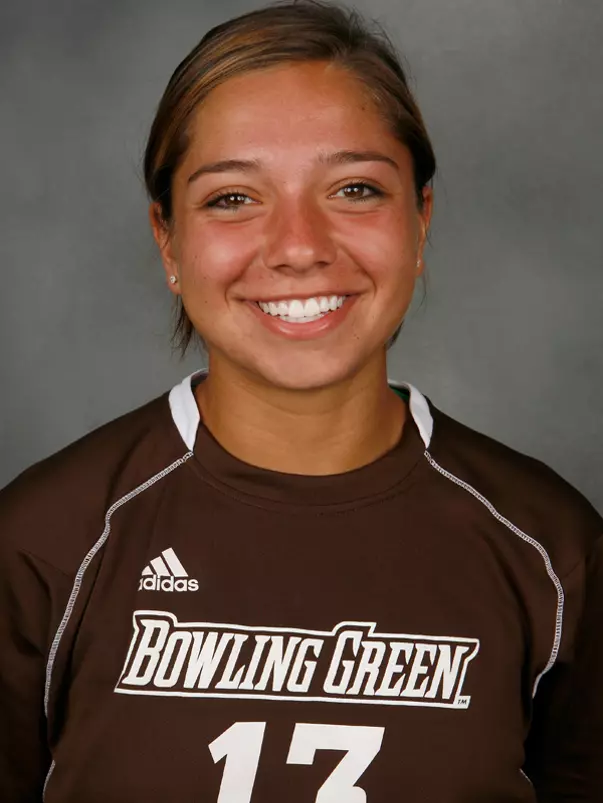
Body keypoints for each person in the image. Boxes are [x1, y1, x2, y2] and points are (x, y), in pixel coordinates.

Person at [1, 0, 602, 800]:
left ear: (420, 221)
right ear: (168, 240)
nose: (297, 247)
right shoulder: (43, 543)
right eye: (232, 198)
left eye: (354, 188)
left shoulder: (551, 548)